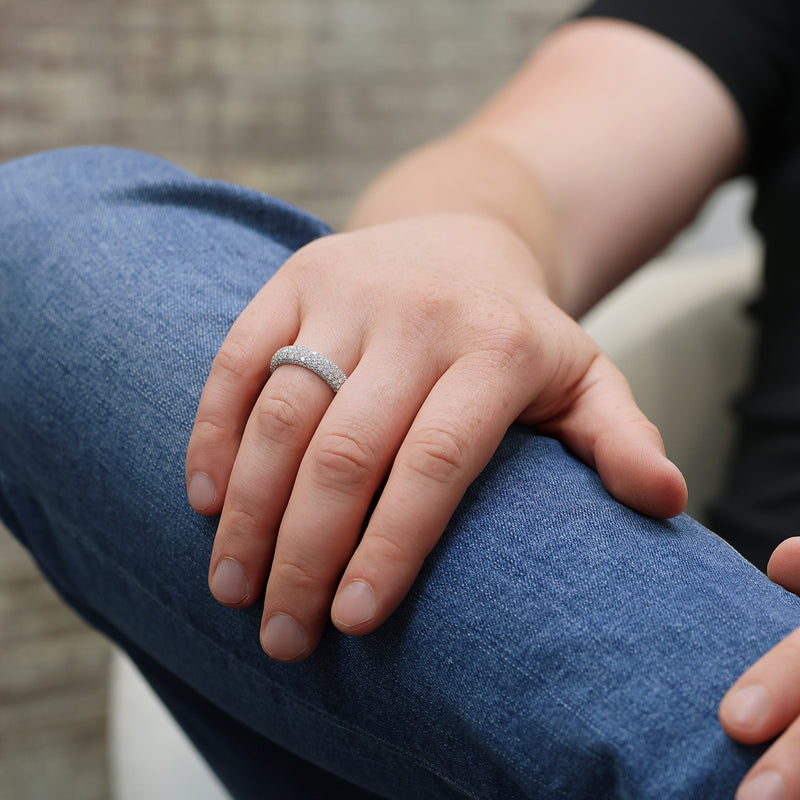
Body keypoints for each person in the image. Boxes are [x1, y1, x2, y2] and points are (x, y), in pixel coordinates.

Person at [1, 0, 800, 797]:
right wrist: (466, 241)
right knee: (33, 233)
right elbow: (526, 162)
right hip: (666, 654)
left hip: (727, 709)